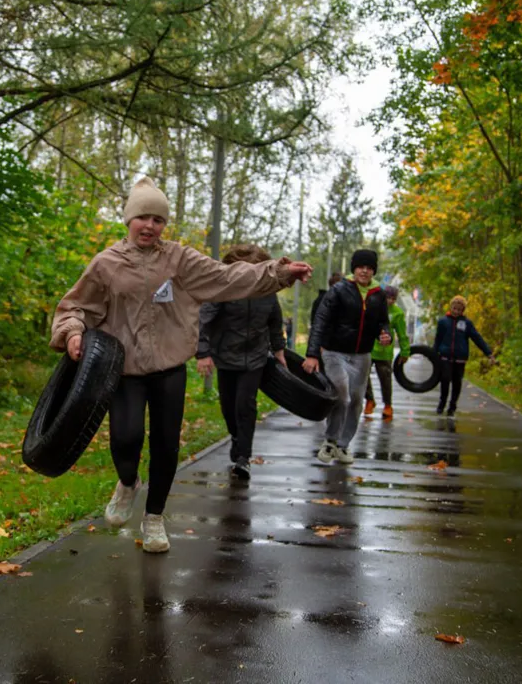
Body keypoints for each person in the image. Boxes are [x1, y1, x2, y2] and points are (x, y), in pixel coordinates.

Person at [50, 177, 312, 553]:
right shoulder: (106, 264)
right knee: (125, 438)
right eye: (143, 217)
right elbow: (74, 306)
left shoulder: (179, 260)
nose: (150, 226)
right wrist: (73, 333)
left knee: (166, 445)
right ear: (128, 219)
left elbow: (228, 278)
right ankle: (127, 482)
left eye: (158, 219)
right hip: (124, 369)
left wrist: (279, 273)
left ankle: (155, 518)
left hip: (170, 368)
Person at [196, 244, 287, 481]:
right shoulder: (222, 289)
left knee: (245, 405)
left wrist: (279, 350)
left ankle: (243, 457)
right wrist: (203, 353)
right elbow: (202, 321)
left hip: (255, 356)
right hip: (225, 355)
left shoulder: (268, 292)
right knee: (228, 407)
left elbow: (275, 322)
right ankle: (237, 439)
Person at [302, 249, 391, 465]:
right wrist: (312, 354)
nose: (365, 271)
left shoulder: (378, 294)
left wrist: (384, 333)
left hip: (362, 355)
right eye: (361, 267)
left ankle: (343, 446)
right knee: (342, 394)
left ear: (373, 271)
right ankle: (330, 441)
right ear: (354, 268)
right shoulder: (339, 290)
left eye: (369, 268)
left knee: (357, 401)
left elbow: (382, 320)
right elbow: (320, 321)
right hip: (334, 352)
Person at [433, 295, 495, 416]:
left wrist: (488, 353)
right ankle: (442, 402)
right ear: (451, 307)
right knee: (445, 380)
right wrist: (433, 354)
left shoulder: (466, 324)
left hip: (460, 359)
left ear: (463, 310)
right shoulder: (443, 321)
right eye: (454, 308)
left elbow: (477, 338)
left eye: (459, 310)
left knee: (457, 382)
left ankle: (452, 406)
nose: (456, 311)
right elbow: (438, 339)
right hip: (445, 357)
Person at [364, 285, 410, 420]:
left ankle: (388, 405)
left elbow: (402, 334)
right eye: (388, 298)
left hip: (385, 352)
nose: (390, 301)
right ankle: (369, 400)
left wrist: (405, 351)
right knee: (363, 376)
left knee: (385, 379)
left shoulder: (397, 313)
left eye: (393, 299)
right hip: (369, 349)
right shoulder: (373, 307)